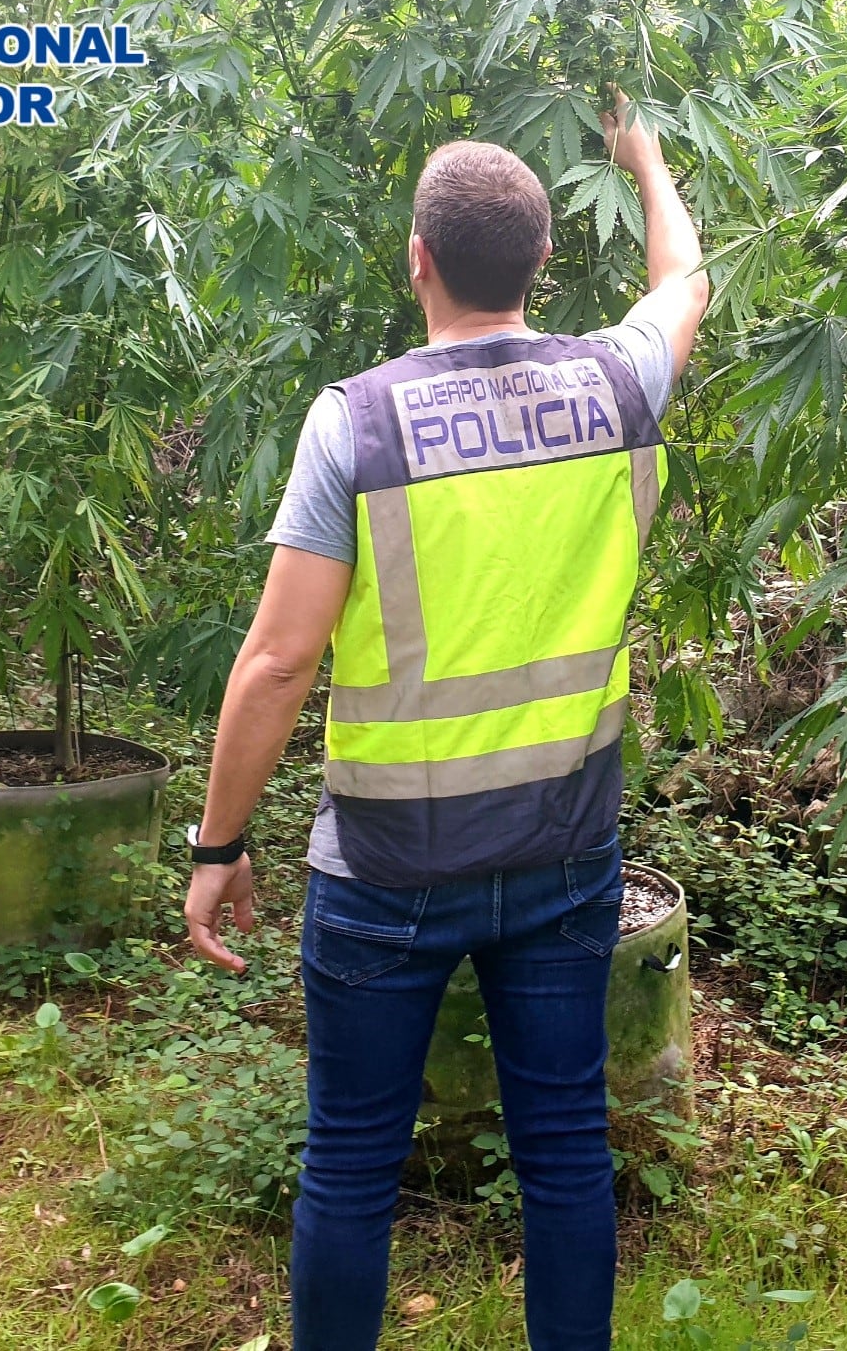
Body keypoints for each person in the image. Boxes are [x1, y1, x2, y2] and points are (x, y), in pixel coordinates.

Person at [182, 91, 708, 1351]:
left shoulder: (355, 422)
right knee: (564, 1148)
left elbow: (278, 662)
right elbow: (685, 278)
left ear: (415, 257)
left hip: (386, 868)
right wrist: (644, 158)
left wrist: (217, 844)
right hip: (564, 851)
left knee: (352, 1157)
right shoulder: (617, 381)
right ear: (542, 258)